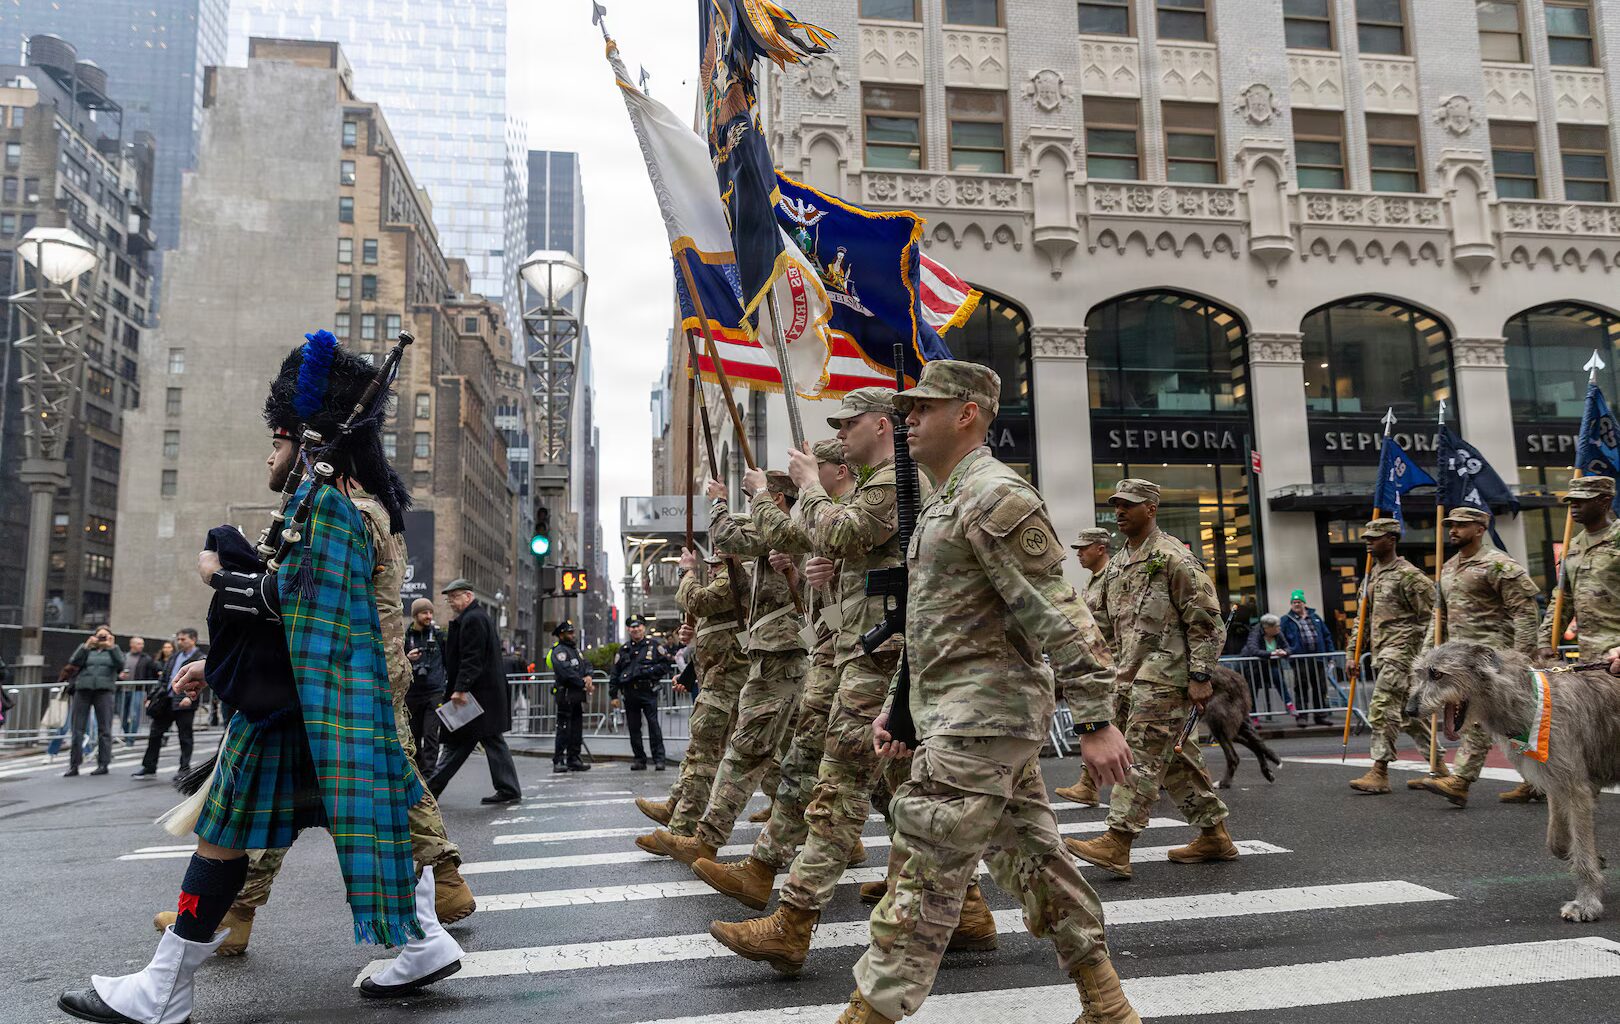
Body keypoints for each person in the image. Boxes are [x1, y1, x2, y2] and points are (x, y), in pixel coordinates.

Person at [58, 331, 460, 1024]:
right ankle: (421, 941)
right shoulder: (334, 505)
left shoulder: (336, 508)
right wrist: (214, 667)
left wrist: (223, 578)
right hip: (322, 708)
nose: (267, 455)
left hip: (303, 708)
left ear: (304, 439)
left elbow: (300, 606)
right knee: (374, 820)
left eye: (275, 439)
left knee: (225, 835)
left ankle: (164, 987)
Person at [831, 360, 1140, 1024]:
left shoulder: (996, 495)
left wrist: (1095, 717)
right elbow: (932, 622)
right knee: (1034, 861)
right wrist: (901, 709)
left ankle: (867, 1015)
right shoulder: (942, 499)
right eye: (905, 410)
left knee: (922, 873)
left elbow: (1059, 613)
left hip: (982, 720)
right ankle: (1108, 1006)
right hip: (964, 717)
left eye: (922, 409)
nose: (908, 420)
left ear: (966, 413)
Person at [1068, 478, 1237, 880]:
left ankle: (1117, 840)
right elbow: (1107, 624)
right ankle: (1214, 833)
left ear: (1152, 509)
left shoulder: (1173, 556)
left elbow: (1206, 621)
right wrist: (1102, 671)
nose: (1120, 511)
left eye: (1129, 504)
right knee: (1177, 761)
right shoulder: (1118, 564)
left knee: (1141, 754)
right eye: (1117, 505)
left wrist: (1200, 675)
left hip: (1167, 676)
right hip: (1128, 676)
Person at [639, 471, 808, 863]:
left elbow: (729, 542)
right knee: (777, 754)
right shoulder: (775, 543)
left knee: (750, 751)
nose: (721, 561)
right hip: (765, 658)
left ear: (778, 500)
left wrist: (719, 501)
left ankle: (699, 833)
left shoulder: (788, 532)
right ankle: (694, 825)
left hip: (776, 658)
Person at [1413, 506, 1541, 807]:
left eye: (1461, 525)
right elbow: (1438, 615)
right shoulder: (1447, 567)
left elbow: (1524, 611)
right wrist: (1427, 653)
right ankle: (1534, 781)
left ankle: (1461, 780)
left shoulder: (1499, 564)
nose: (1453, 530)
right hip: (1458, 661)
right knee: (1514, 721)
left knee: (1482, 716)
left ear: (1480, 528)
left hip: (1492, 660)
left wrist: (1523, 655)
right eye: (1451, 525)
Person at [636, 548, 751, 830]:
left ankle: (682, 825)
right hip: (716, 678)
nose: (710, 570)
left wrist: (687, 571)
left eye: (716, 565)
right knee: (700, 750)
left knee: (706, 754)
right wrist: (695, 637)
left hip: (728, 681)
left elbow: (699, 601)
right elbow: (718, 634)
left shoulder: (738, 576)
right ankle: (675, 806)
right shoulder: (729, 582)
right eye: (708, 565)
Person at [1345, 517, 1441, 795]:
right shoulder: (1370, 576)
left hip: (1402, 653)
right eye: (1367, 538)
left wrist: (1423, 653)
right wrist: (1353, 652)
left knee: (1381, 705)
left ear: (1392, 539)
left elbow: (1434, 616)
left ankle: (1380, 770)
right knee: (1407, 715)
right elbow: (1361, 620)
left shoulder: (1409, 575)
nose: (1369, 543)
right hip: (1381, 651)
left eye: (1375, 537)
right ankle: (1439, 766)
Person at [428, 579, 521, 804]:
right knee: (484, 740)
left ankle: (430, 791)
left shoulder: (473, 619)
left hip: (477, 696)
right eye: (449, 597)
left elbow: (472, 658)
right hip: (481, 695)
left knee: (460, 743)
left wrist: (460, 688)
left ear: (468, 596)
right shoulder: (473, 618)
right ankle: (508, 789)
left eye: (455, 596)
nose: (451, 601)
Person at [1056, 526, 1120, 806]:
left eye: (1084, 548)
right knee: (1101, 725)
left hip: (1116, 665)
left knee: (1106, 726)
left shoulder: (1113, 578)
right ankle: (1088, 785)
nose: (1079, 554)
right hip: (1101, 663)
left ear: (1100, 548)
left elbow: (1121, 623)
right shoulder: (1092, 581)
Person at [610, 614, 677, 770]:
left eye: (638, 626)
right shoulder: (624, 649)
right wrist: (613, 695)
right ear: (628, 629)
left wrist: (648, 672)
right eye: (632, 627)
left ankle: (659, 760)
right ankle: (639, 759)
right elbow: (615, 673)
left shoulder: (654, 646)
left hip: (648, 692)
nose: (636, 629)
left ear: (643, 628)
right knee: (634, 728)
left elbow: (665, 666)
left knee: (654, 726)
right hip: (629, 693)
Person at [132, 629, 202, 778]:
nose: (179, 642)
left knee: (185, 736)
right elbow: (163, 678)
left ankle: (184, 768)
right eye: (178, 639)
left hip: (184, 702)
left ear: (193, 639)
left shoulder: (200, 658)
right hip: (166, 701)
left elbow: (204, 682)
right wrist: (151, 696)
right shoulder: (175, 656)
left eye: (183, 639)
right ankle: (149, 766)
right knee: (155, 734)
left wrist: (190, 698)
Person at [63, 626, 124, 777]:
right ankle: (74, 764)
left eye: (105, 636)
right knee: (77, 729)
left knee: (105, 729)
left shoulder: (113, 650)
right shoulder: (86, 649)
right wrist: (85, 646)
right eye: (99, 636)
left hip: (104, 691)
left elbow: (121, 664)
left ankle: (103, 763)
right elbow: (73, 662)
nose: (102, 639)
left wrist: (112, 647)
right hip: (83, 689)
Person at [404, 598, 447, 772]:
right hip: (413, 693)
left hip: (434, 691)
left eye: (430, 612)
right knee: (414, 735)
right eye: (424, 613)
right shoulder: (405, 637)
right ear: (415, 615)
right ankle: (418, 771)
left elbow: (448, 659)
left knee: (431, 735)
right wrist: (407, 658)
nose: (429, 616)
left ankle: (429, 773)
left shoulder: (438, 636)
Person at [1280, 588, 1334, 725]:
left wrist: (1330, 655)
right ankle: (1302, 716)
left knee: (1320, 688)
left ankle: (1320, 715)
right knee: (1301, 688)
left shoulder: (1315, 617)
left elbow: (1326, 636)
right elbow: (1281, 638)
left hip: (1318, 658)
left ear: (1304, 603)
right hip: (1300, 660)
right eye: (1294, 602)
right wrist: (1289, 650)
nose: (1296, 604)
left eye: (1298, 602)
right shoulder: (1286, 620)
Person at [549, 619, 594, 772]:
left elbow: (586, 663)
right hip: (566, 694)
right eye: (569, 633)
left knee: (576, 728)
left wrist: (588, 675)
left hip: (576, 695)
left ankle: (573, 758)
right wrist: (582, 682)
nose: (572, 635)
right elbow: (566, 672)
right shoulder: (560, 651)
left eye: (573, 632)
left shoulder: (574, 650)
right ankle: (559, 760)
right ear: (561, 635)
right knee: (564, 728)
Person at [1239, 614, 1298, 718]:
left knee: (1279, 680)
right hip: (1254, 666)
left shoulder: (1278, 634)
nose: (1279, 628)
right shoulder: (1255, 633)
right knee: (1253, 690)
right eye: (1276, 626)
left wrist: (1284, 652)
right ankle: (1253, 716)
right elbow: (1254, 650)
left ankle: (1289, 705)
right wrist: (1272, 653)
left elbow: (1288, 647)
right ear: (1267, 628)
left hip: (1271, 664)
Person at [118, 637, 159, 747]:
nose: (141, 646)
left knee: (134, 714)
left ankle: (131, 739)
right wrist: (119, 676)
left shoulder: (146, 658)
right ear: (132, 644)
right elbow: (117, 671)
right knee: (122, 714)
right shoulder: (123, 657)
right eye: (139, 643)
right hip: (122, 690)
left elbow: (154, 671)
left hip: (138, 690)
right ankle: (127, 734)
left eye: (142, 644)